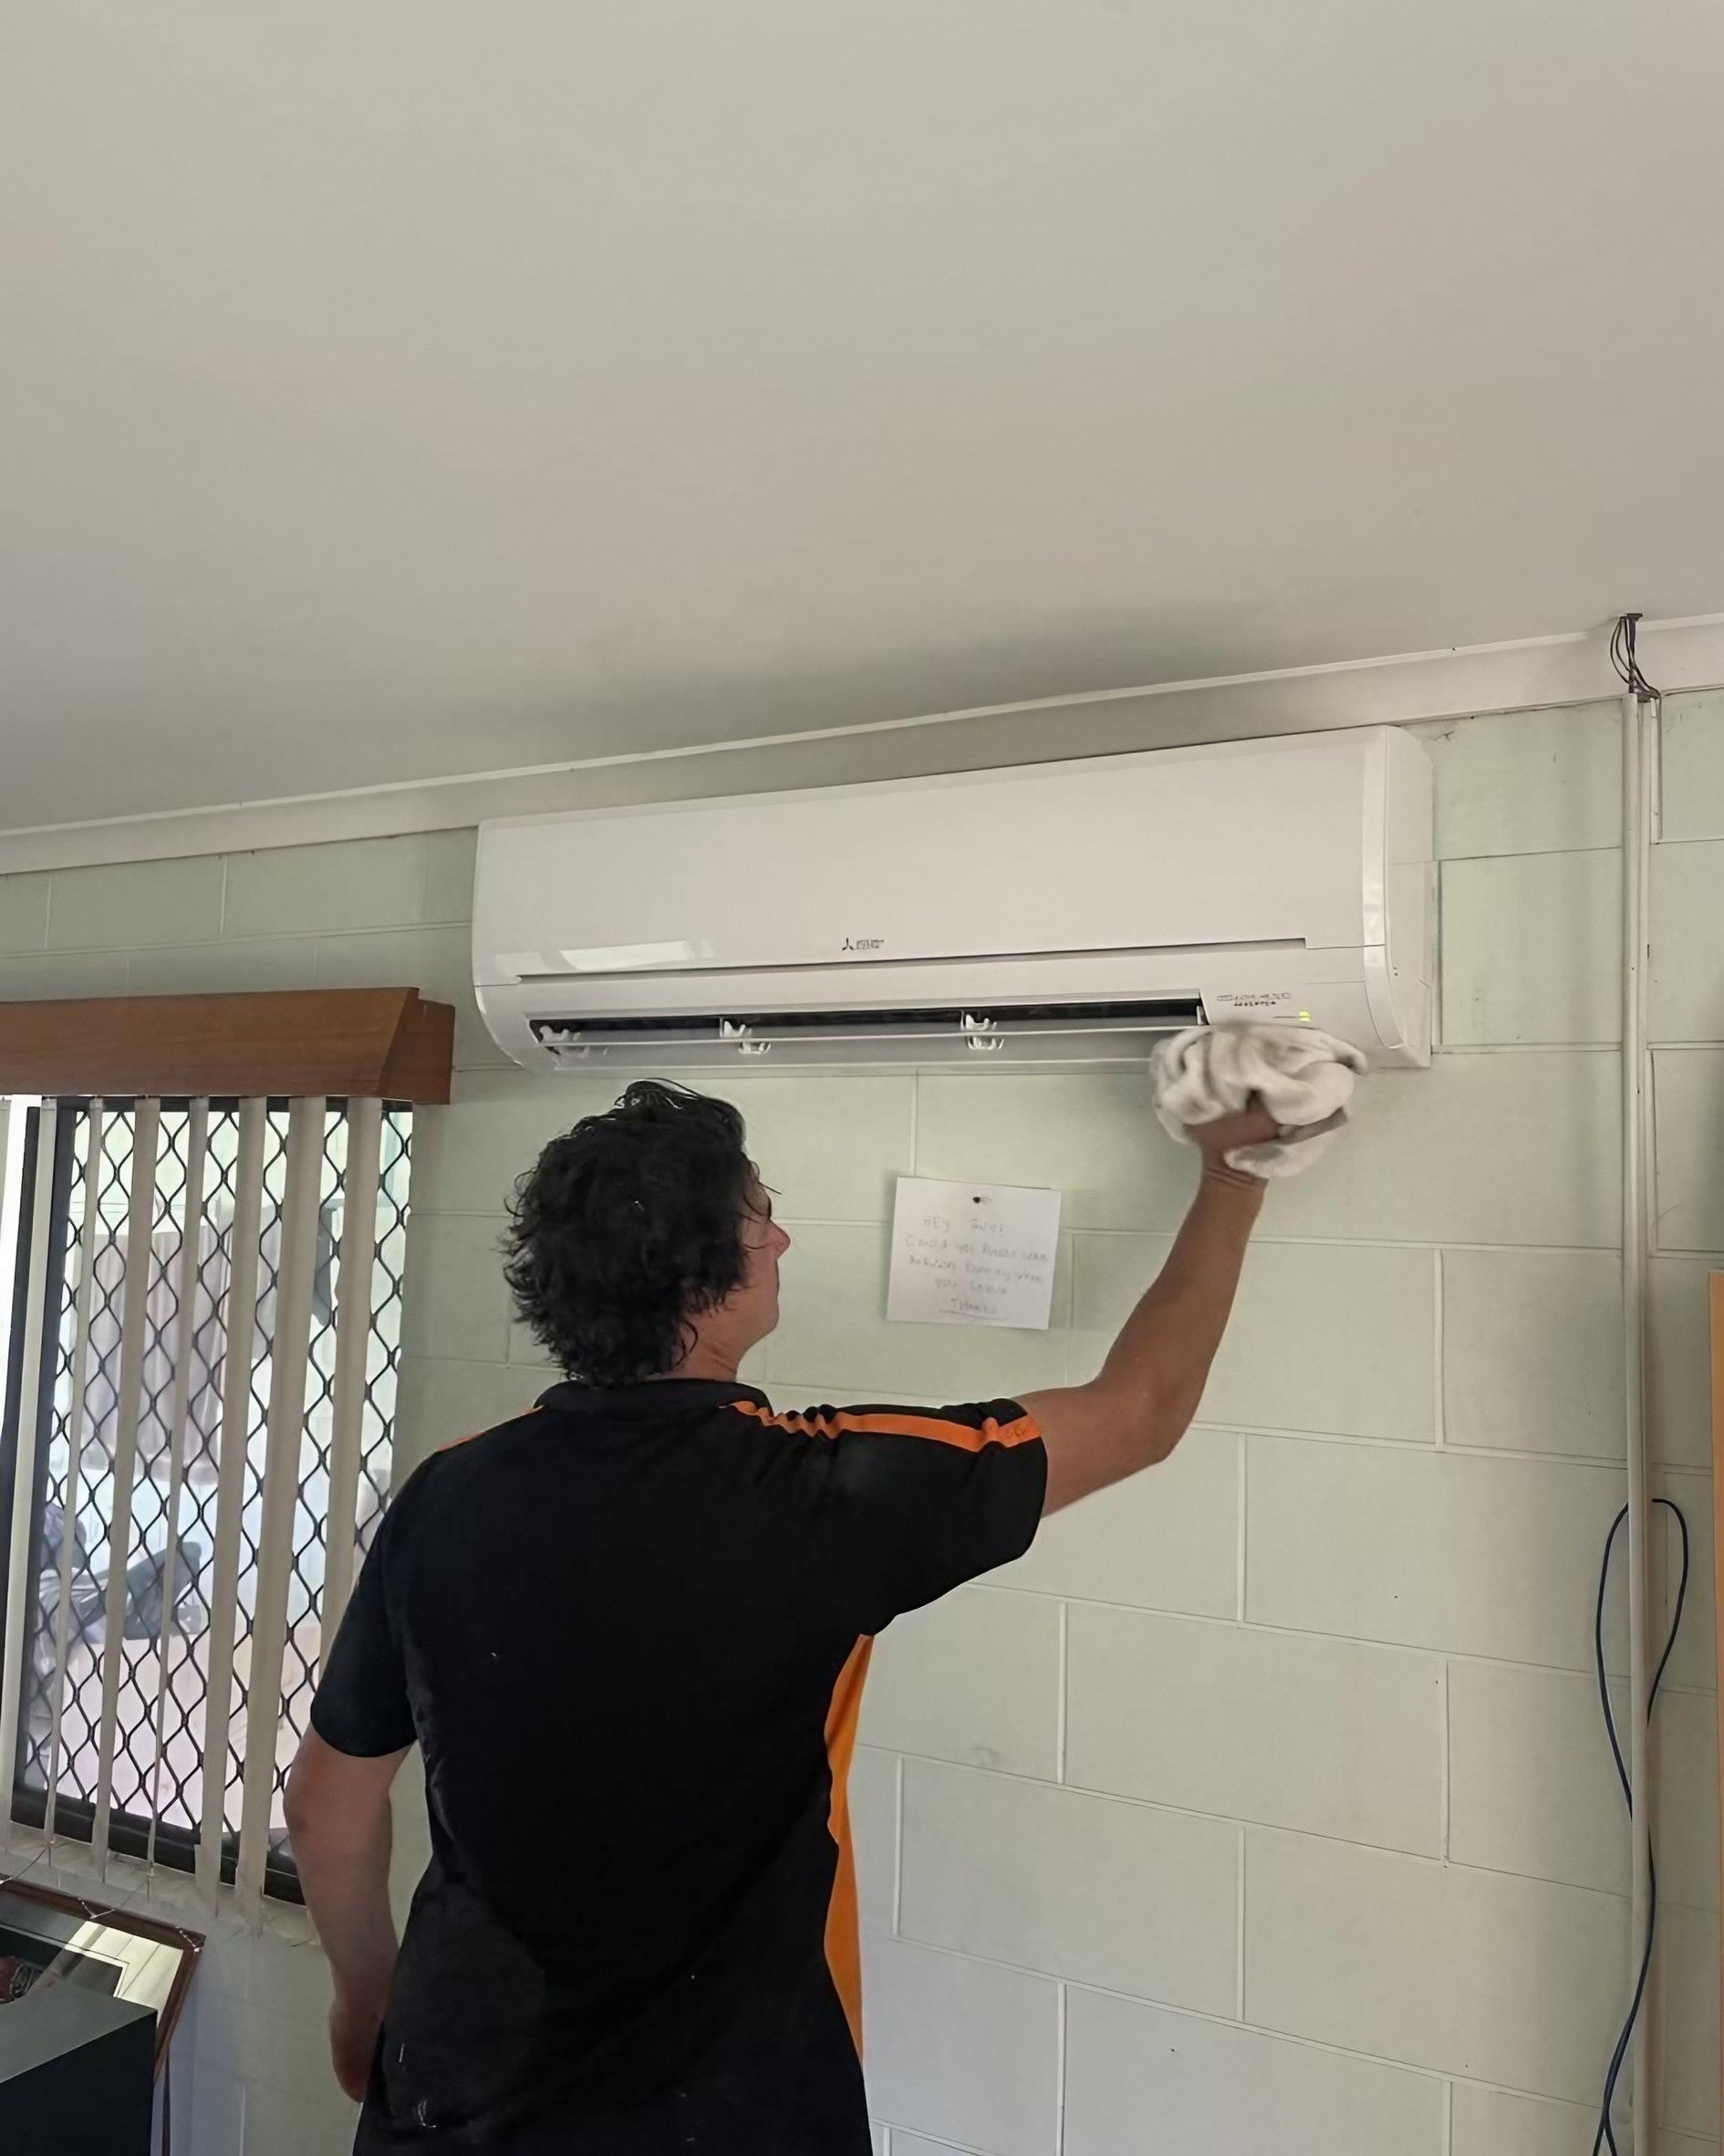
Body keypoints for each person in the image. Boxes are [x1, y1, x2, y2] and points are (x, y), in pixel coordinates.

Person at [286, 1076, 1287, 2153]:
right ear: (704, 1280)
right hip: (736, 2115)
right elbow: (1139, 1412)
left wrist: (364, 1996)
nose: (786, 1241)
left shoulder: (447, 1493)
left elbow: (329, 1815)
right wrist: (1231, 1177)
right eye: (763, 1218)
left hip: (451, 2094)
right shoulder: (823, 1492)